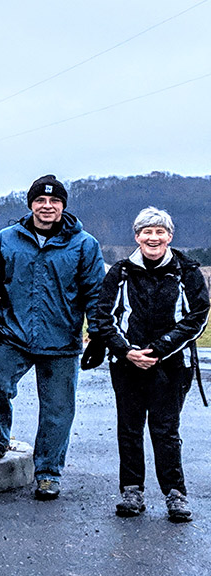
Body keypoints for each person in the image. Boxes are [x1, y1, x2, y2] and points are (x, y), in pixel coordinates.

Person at [0, 174, 105, 501]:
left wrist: (99, 335)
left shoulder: (83, 244)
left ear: (63, 205)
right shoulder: (7, 239)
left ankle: (47, 473)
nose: (47, 206)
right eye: (40, 201)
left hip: (61, 341)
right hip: (15, 335)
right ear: (30, 204)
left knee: (58, 410)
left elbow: (95, 293)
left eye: (54, 201)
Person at [86, 208, 209, 522]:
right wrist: (126, 351)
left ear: (169, 235)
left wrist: (158, 349)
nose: (153, 238)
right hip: (125, 362)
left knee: (166, 430)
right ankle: (131, 490)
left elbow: (197, 317)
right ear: (136, 236)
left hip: (172, 364)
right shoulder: (121, 272)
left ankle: (175, 494)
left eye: (159, 232)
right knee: (129, 429)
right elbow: (104, 317)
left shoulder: (187, 270)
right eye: (146, 232)